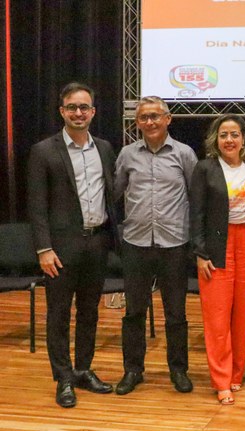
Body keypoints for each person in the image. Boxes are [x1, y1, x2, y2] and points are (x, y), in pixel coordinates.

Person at [27, 82, 116, 407]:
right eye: (72, 107)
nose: (79, 113)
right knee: (59, 315)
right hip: (60, 249)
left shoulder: (104, 148)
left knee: (90, 312)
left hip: (97, 243)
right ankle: (63, 378)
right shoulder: (43, 151)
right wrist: (43, 249)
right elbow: (36, 205)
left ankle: (83, 370)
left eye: (84, 107)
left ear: (93, 112)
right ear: (62, 111)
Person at [113, 96, 197, 396]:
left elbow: (195, 196)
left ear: (168, 119)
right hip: (136, 243)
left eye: (155, 116)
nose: (150, 122)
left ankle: (178, 370)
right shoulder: (127, 154)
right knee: (134, 312)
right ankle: (132, 370)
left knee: (175, 313)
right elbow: (115, 193)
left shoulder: (184, 154)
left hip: (174, 244)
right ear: (137, 122)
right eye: (144, 117)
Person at [190, 114, 245, 405]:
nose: (229, 140)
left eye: (235, 134)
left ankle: (236, 373)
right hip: (216, 247)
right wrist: (200, 253)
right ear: (216, 140)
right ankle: (221, 380)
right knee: (218, 317)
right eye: (223, 135)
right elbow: (196, 214)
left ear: (243, 139)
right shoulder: (205, 168)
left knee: (242, 314)